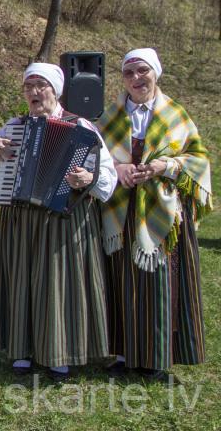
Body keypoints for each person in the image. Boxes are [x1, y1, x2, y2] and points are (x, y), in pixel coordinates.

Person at [0, 63, 117, 381]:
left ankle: (60, 353)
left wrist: (87, 178)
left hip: (63, 218)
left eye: (42, 86)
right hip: (21, 218)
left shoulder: (81, 127)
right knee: (21, 279)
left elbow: (107, 179)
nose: (35, 93)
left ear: (56, 90)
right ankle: (22, 350)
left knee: (58, 282)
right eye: (29, 86)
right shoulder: (14, 126)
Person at [98, 48, 212, 380]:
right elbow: (93, 154)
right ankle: (122, 353)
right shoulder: (110, 116)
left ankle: (156, 356)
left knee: (159, 283)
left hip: (162, 212)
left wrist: (166, 165)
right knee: (120, 280)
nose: (136, 78)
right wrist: (118, 168)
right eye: (129, 73)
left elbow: (199, 160)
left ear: (156, 73)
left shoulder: (175, 114)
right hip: (120, 211)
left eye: (142, 71)